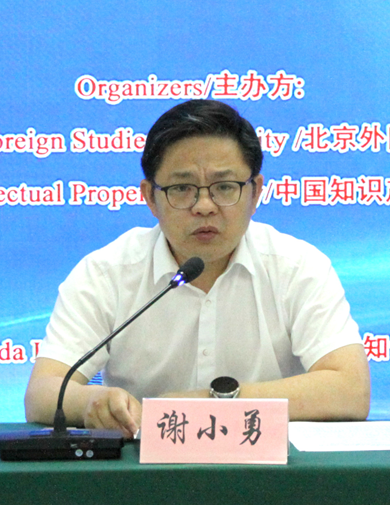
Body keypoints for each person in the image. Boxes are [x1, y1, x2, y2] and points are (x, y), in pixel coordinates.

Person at [25, 100, 370, 438]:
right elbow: (42, 392)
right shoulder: (106, 273)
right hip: (143, 467)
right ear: (150, 197)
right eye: (182, 189)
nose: (204, 206)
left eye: (224, 187)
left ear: (255, 193)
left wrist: (211, 403)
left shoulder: (298, 267)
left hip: (268, 465)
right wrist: (92, 402)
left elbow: (351, 389)